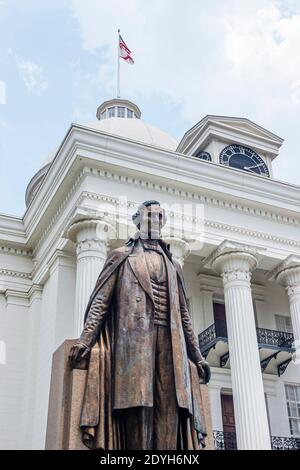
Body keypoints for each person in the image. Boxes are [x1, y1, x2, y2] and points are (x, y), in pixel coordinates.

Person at [69, 200, 211, 450]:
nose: (154, 221)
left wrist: (198, 357)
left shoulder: (174, 266)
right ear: (137, 221)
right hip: (135, 345)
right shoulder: (121, 257)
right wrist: (86, 339)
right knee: (139, 407)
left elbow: (184, 315)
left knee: (170, 410)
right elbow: (100, 301)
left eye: (159, 217)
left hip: (170, 345)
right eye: (149, 216)